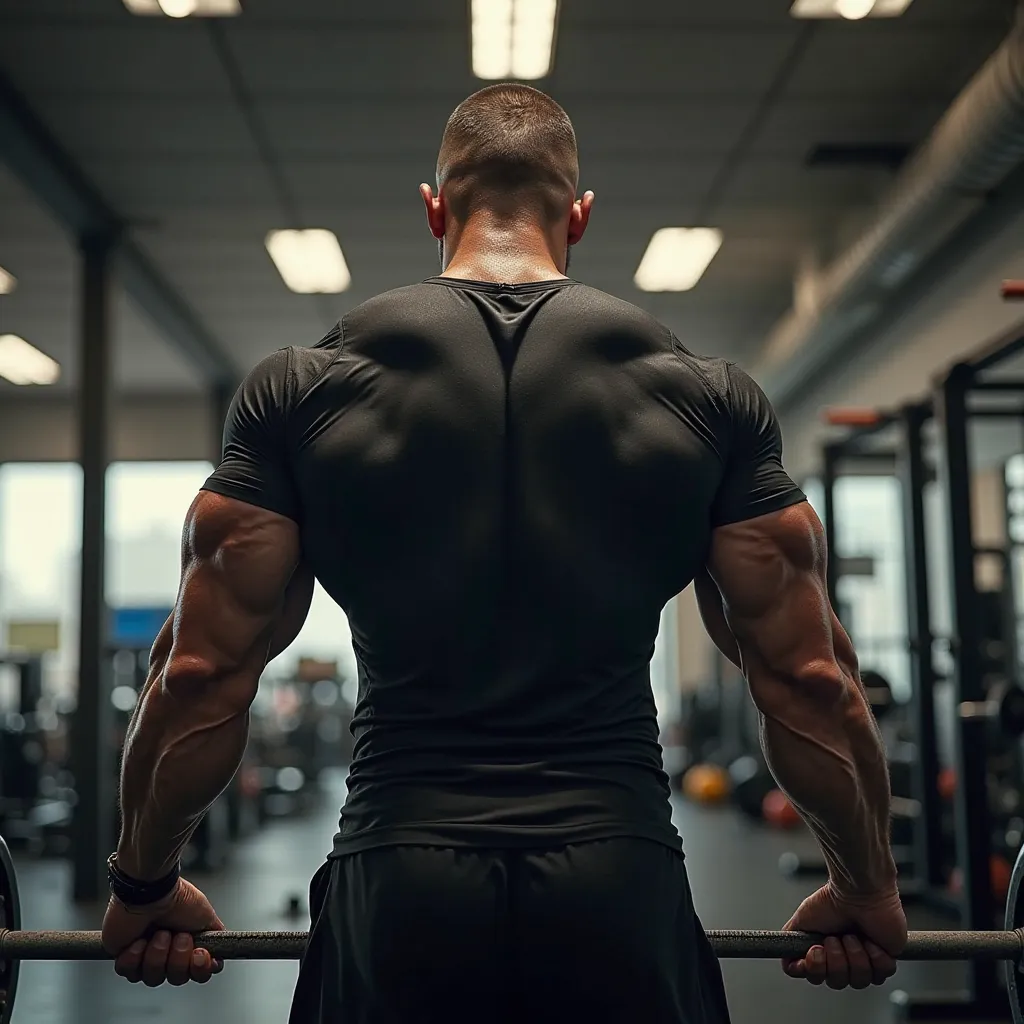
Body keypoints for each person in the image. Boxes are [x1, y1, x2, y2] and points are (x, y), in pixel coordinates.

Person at [100, 83, 907, 1022]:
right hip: (620, 879)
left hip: (398, 881)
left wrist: (145, 888)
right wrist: (867, 888)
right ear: (581, 217)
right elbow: (810, 678)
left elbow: (198, 672)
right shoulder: (706, 397)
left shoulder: (303, 390)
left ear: (434, 208)